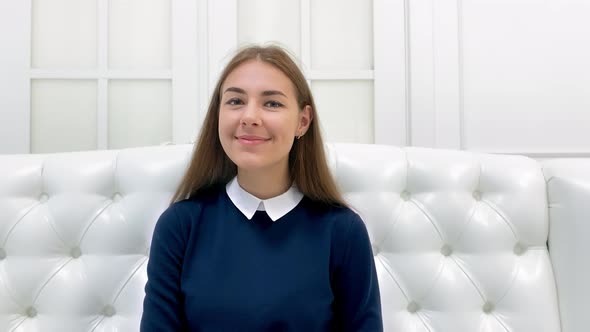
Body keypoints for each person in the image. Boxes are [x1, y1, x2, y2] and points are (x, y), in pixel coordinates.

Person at [140, 45, 382, 331]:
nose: (249, 116)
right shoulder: (180, 227)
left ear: (302, 122)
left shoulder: (342, 232)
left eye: (272, 104)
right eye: (235, 101)